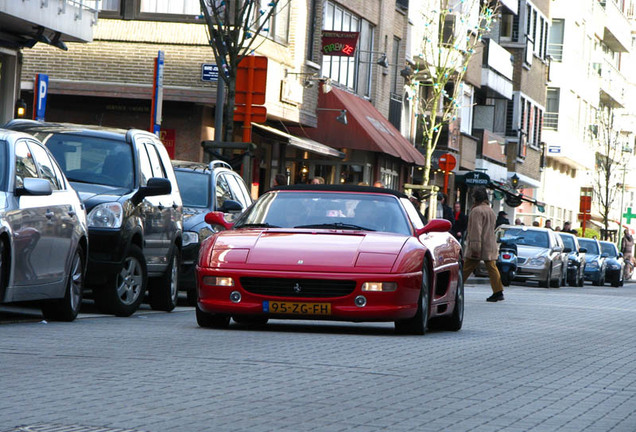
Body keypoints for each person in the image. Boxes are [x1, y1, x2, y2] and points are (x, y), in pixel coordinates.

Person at [463, 186, 504, 302]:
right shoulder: (490, 210)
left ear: (475, 198)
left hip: (479, 244)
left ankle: (455, 288)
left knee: (466, 268)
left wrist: (475, 247)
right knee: (492, 267)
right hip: (489, 243)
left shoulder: (476, 211)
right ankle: (498, 291)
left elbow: (476, 230)